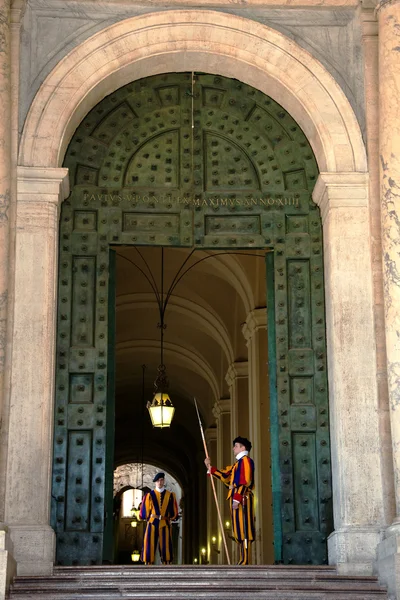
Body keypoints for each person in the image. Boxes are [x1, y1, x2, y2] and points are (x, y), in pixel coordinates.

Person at [204, 436, 255, 565]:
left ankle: (245, 560)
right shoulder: (237, 464)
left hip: (242, 499)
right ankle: (242, 559)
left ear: (243, 448)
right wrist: (210, 467)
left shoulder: (246, 461)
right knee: (238, 530)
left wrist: (237, 499)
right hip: (238, 499)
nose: (233, 448)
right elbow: (226, 476)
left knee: (244, 529)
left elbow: (245, 481)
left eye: (236, 446)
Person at [139, 472, 179, 565]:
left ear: (163, 481)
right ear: (155, 482)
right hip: (153, 522)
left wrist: (173, 517)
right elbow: (145, 511)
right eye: (158, 481)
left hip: (165, 522)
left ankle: (166, 562)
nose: (159, 482)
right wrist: (144, 516)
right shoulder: (149, 495)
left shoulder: (170, 495)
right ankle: (149, 562)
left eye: (161, 480)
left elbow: (173, 510)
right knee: (149, 543)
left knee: (166, 544)